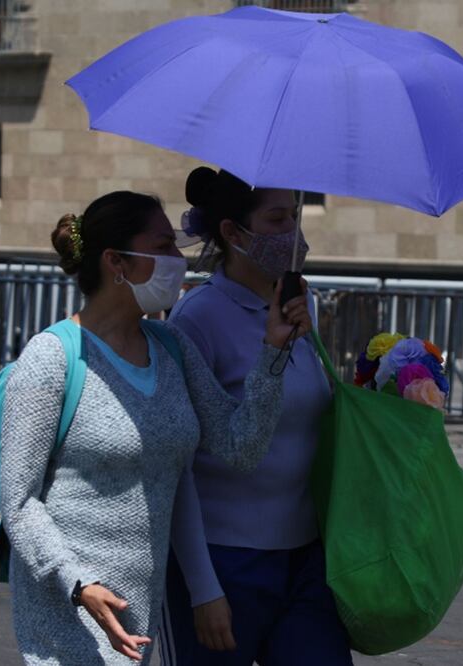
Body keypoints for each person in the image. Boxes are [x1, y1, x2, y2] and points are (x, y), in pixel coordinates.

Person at [0, 191, 312, 666]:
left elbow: (239, 446)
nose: (178, 262)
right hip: (68, 615)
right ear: (115, 262)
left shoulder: (172, 347)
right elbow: (18, 503)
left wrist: (273, 352)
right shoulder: (52, 358)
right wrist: (79, 583)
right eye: (164, 246)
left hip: (138, 618)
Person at [162, 169, 353, 665]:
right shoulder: (196, 318)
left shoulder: (300, 301)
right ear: (232, 233)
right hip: (225, 559)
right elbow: (179, 463)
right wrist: (203, 587)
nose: (293, 233)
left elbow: (314, 409)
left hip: (307, 558)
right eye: (277, 219)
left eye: (295, 215)